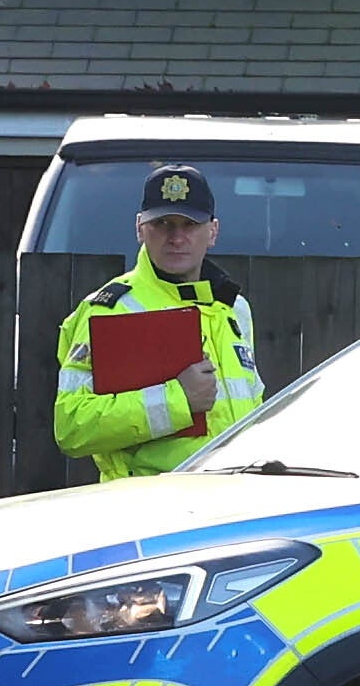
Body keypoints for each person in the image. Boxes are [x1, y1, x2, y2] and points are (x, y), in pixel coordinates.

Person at [54, 164, 262, 482]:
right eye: (162, 223)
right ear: (140, 228)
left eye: (189, 224)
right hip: (151, 506)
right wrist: (179, 399)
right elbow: (71, 426)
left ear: (213, 232)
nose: (176, 237)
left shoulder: (234, 309)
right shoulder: (109, 309)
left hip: (231, 501)